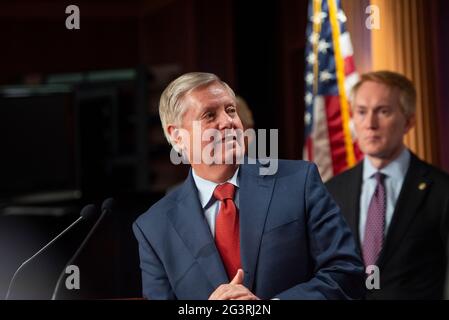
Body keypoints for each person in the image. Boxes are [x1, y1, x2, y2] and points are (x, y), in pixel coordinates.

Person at [133, 72, 364, 300]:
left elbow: (346, 273)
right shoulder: (154, 228)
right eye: (210, 115)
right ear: (177, 136)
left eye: (230, 110)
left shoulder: (298, 181)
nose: (228, 122)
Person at [326, 71, 449, 299]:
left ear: (409, 121)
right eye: (361, 112)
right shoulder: (332, 190)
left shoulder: (442, 191)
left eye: (383, 112)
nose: (370, 124)